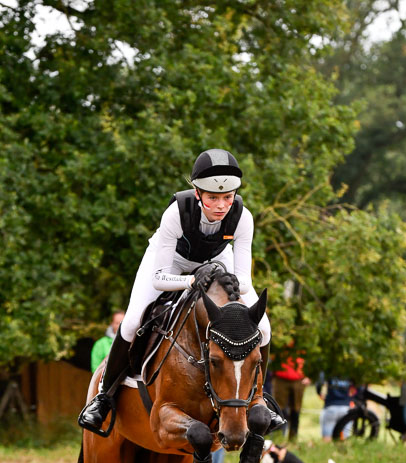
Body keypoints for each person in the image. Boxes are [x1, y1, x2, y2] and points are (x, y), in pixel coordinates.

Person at [78, 149, 284, 434]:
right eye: (213, 197)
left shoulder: (243, 217)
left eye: (227, 197)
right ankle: (104, 398)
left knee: (263, 328)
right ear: (197, 193)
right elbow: (161, 278)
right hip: (170, 262)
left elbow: (243, 280)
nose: (221, 205)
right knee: (133, 321)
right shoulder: (176, 212)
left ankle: (259, 398)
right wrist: (190, 280)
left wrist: (229, 284)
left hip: (217, 260)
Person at [272, 349, 311, 440]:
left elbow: (311, 357)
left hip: (299, 378)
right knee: (278, 409)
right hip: (280, 377)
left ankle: (293, 438)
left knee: (296, 409)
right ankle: (278, 437)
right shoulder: (281, 339)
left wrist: (310, 375)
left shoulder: (304, 340)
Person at [316, 373, 355, 442]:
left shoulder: (330, 370)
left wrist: (319, 393)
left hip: (331, 407)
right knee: (344, 439)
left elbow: (320, 381)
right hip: (346, 408)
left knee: (327, 438)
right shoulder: (348, 371)